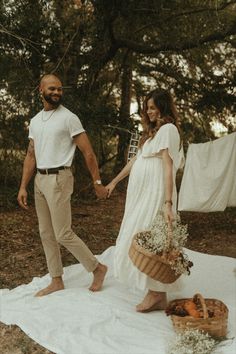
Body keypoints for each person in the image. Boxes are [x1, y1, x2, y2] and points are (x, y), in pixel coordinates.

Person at [17, 74, 108, 297]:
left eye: (59, 89)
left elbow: (88, 153)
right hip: (40, 179)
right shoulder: (36, 121)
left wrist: (97, 182)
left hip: (59, 178)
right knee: (46, 232)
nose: (57, 92)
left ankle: (97, 268)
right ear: (41, 90)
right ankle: (56, 280)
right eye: (52, 89)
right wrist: (23, 186)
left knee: (63, 233)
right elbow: (31, 155)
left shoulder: (69, 118)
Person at [106, 89, 184, 312]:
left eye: (152, 107)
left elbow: (169, 166)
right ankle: (156, 293)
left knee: (152, 237)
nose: (149, 112)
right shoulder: (153, 133)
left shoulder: (168, 130)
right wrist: (114, 182)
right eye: (147, 108)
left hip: (157, 191)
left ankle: (156, 294)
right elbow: (135, 161)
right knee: (141, 235)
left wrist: (168, 203)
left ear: (163, 106)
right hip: (142, 192)